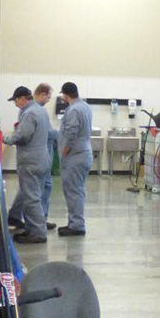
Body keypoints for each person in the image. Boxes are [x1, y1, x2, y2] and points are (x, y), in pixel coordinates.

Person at [3, 86, 50, 244]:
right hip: (42, 158)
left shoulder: (30, 113)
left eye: (16, 101)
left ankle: (38, 233)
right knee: (34, 195)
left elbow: (23, 136)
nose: (16, 104)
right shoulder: (41, 110)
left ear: (23, 98)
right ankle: (31, 229)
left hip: (30, 161)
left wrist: (5, 139)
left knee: (31, 198)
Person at [59, 82, 92, 236]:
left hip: (75, 155)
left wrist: (65, 151)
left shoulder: (73, 110)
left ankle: (76, 225)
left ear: (65, 95)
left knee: (73, 191)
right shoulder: (85, 106)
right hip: (85, 152)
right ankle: (75, 222)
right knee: (77, 190)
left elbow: (71, 133)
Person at [33, 83, 58, 231]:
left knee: (46, 187)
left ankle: (42, 218)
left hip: (45, 157)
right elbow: (46, 133)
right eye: (48, 97)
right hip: (38, 158)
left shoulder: (40, 111)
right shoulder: (34, 111)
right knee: (37, 191)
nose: (48, 100)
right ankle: (36, 221)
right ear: (42, 94)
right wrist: (59, 134)